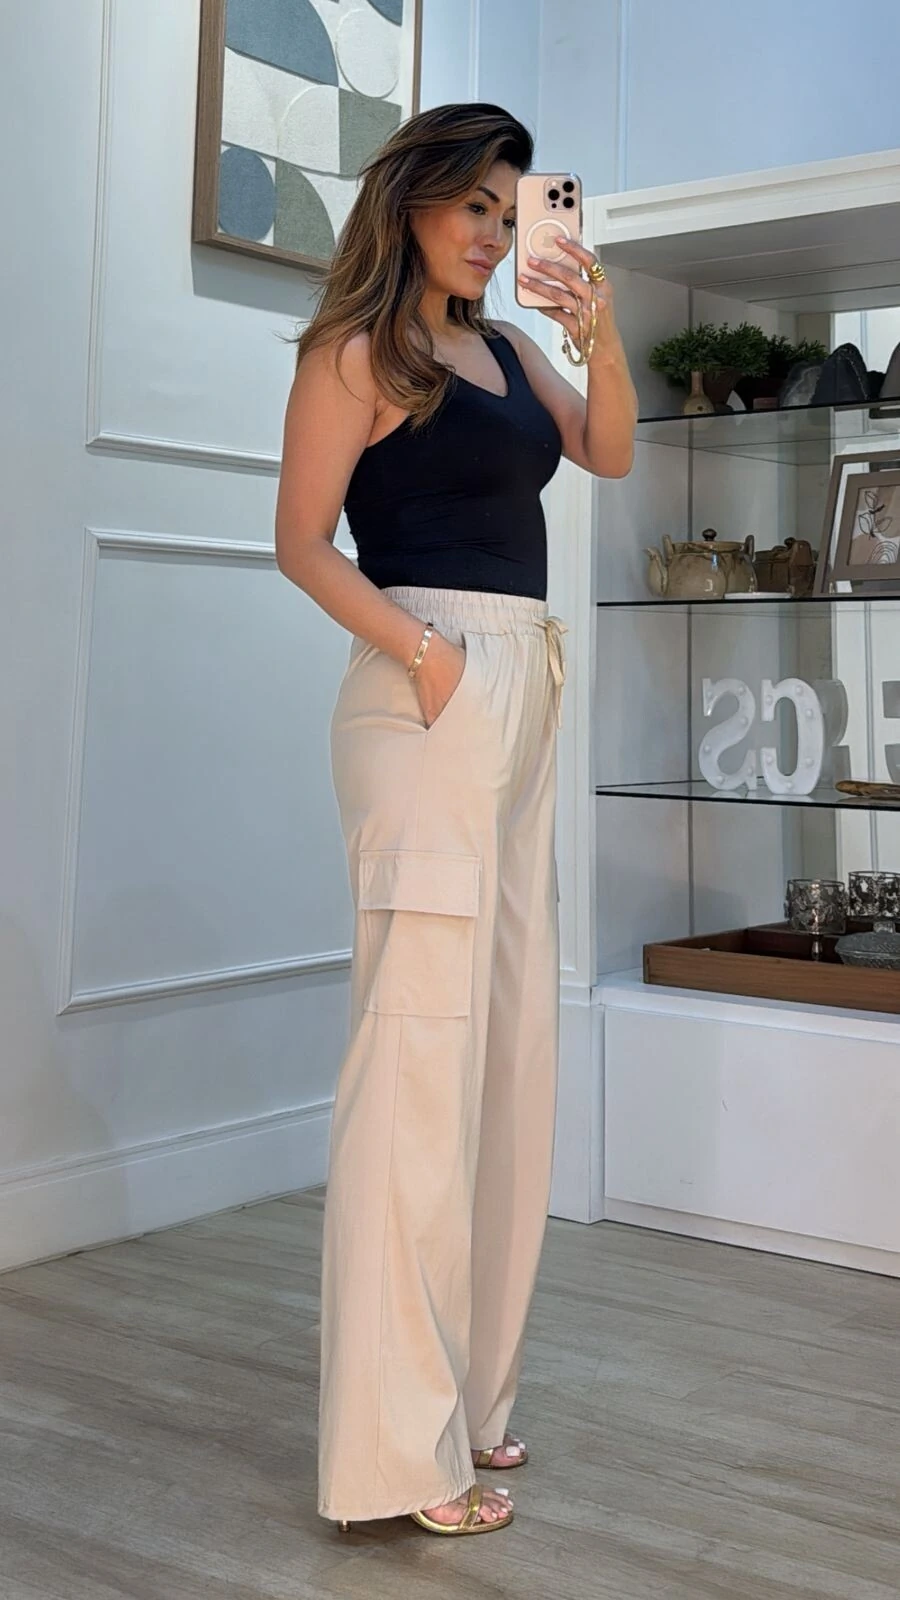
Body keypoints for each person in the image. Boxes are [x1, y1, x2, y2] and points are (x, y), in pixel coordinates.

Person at [275, 102, 637, 1538]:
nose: (493, 229)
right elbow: (300, 541)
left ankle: (470, 1402)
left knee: (506, 1053)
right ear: (413, 202)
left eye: (511, 207)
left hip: (522, 681)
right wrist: (429, 659)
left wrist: (598, 328)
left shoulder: (508, 350)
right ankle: (394, 1457)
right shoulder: (354, 352)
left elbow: (609, 452)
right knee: (420, 1062)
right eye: (474, 203)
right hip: (426, 689)